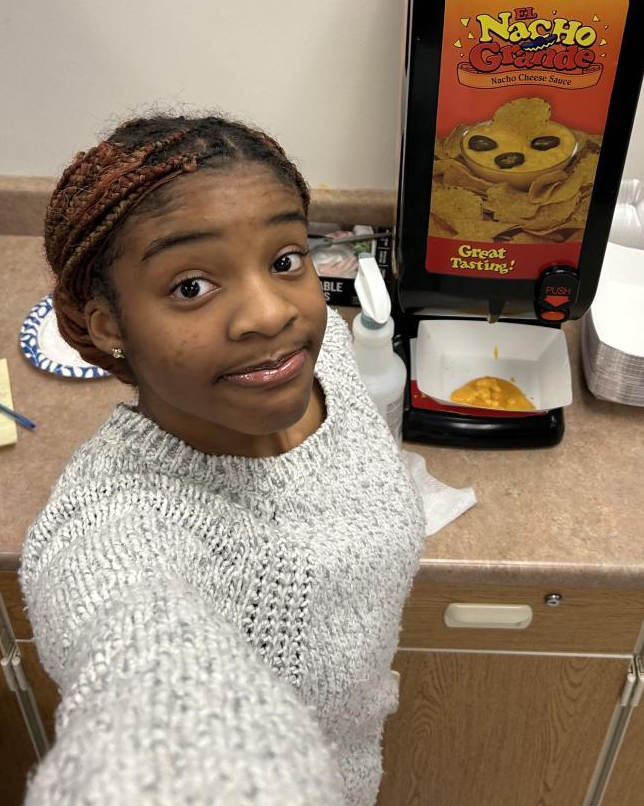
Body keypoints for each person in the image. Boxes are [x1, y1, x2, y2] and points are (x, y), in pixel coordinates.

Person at [21, 113, 425, 805]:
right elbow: (146, 684)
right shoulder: (118, 530)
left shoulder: (319, 354)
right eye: (191, 287)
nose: (271, 314)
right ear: (108, 325)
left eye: (285, 260)